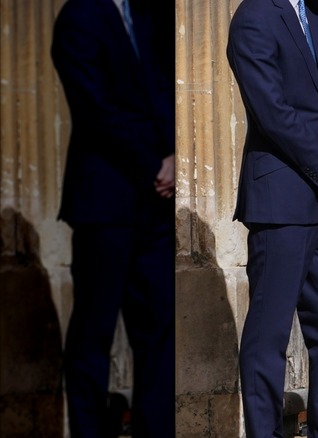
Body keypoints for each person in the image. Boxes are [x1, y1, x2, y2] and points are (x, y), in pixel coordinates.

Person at [225, 0, 318, 436]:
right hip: (281, 199)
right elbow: (271, 109)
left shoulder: (317, 13)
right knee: (270, 333)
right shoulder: (254, 17)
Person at [50, 0, 175, 436]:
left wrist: (175, 155)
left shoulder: (147, 12)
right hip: (104, 202)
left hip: (154, 206)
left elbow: (164, 88)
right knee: (93, 332)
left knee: (158, 330)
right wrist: (153, 164)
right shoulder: (79, 17)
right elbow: (95, 108)